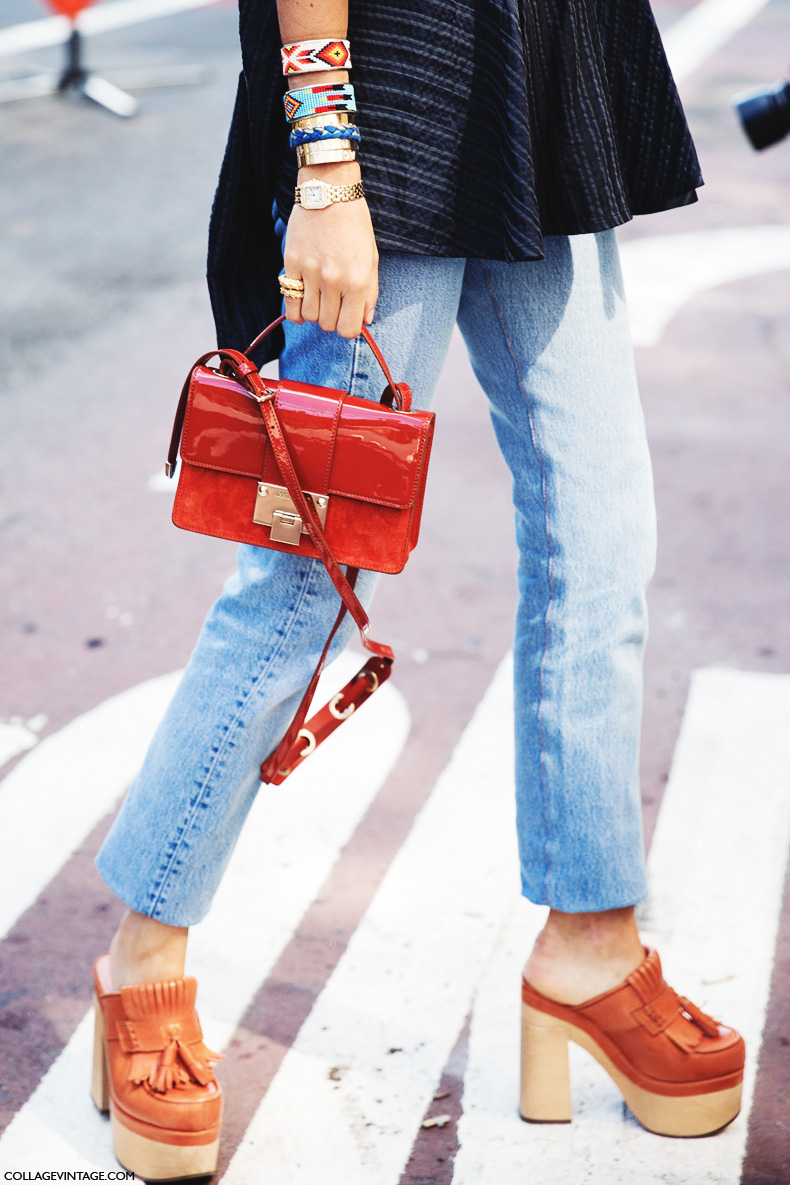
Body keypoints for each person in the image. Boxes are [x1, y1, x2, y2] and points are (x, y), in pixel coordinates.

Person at [89, 0, 746, 1178]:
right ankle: (144, 959)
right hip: (396, 102)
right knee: (307, 575)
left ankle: (591, 945)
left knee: (602, 537)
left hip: (545, 86)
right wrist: (327, 163)